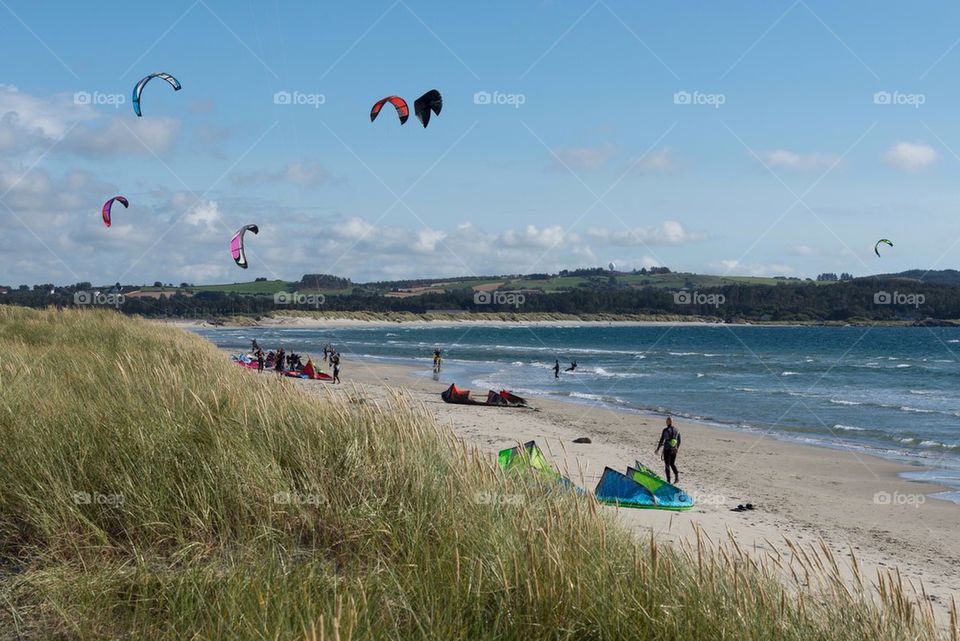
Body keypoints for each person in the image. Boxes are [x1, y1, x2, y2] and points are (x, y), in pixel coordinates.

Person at [654, 416, 681, 484]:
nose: (666, 422)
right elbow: (679, 440)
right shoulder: (677, 430)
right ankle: (677, 477)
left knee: (667, 465)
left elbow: (661, 440)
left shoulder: (665, 430)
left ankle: (668, 481)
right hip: (674, 450)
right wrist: (677, 448)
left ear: (669, 421)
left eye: (666, 421)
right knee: (672, 464)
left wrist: (657, 449)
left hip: (667, 449)